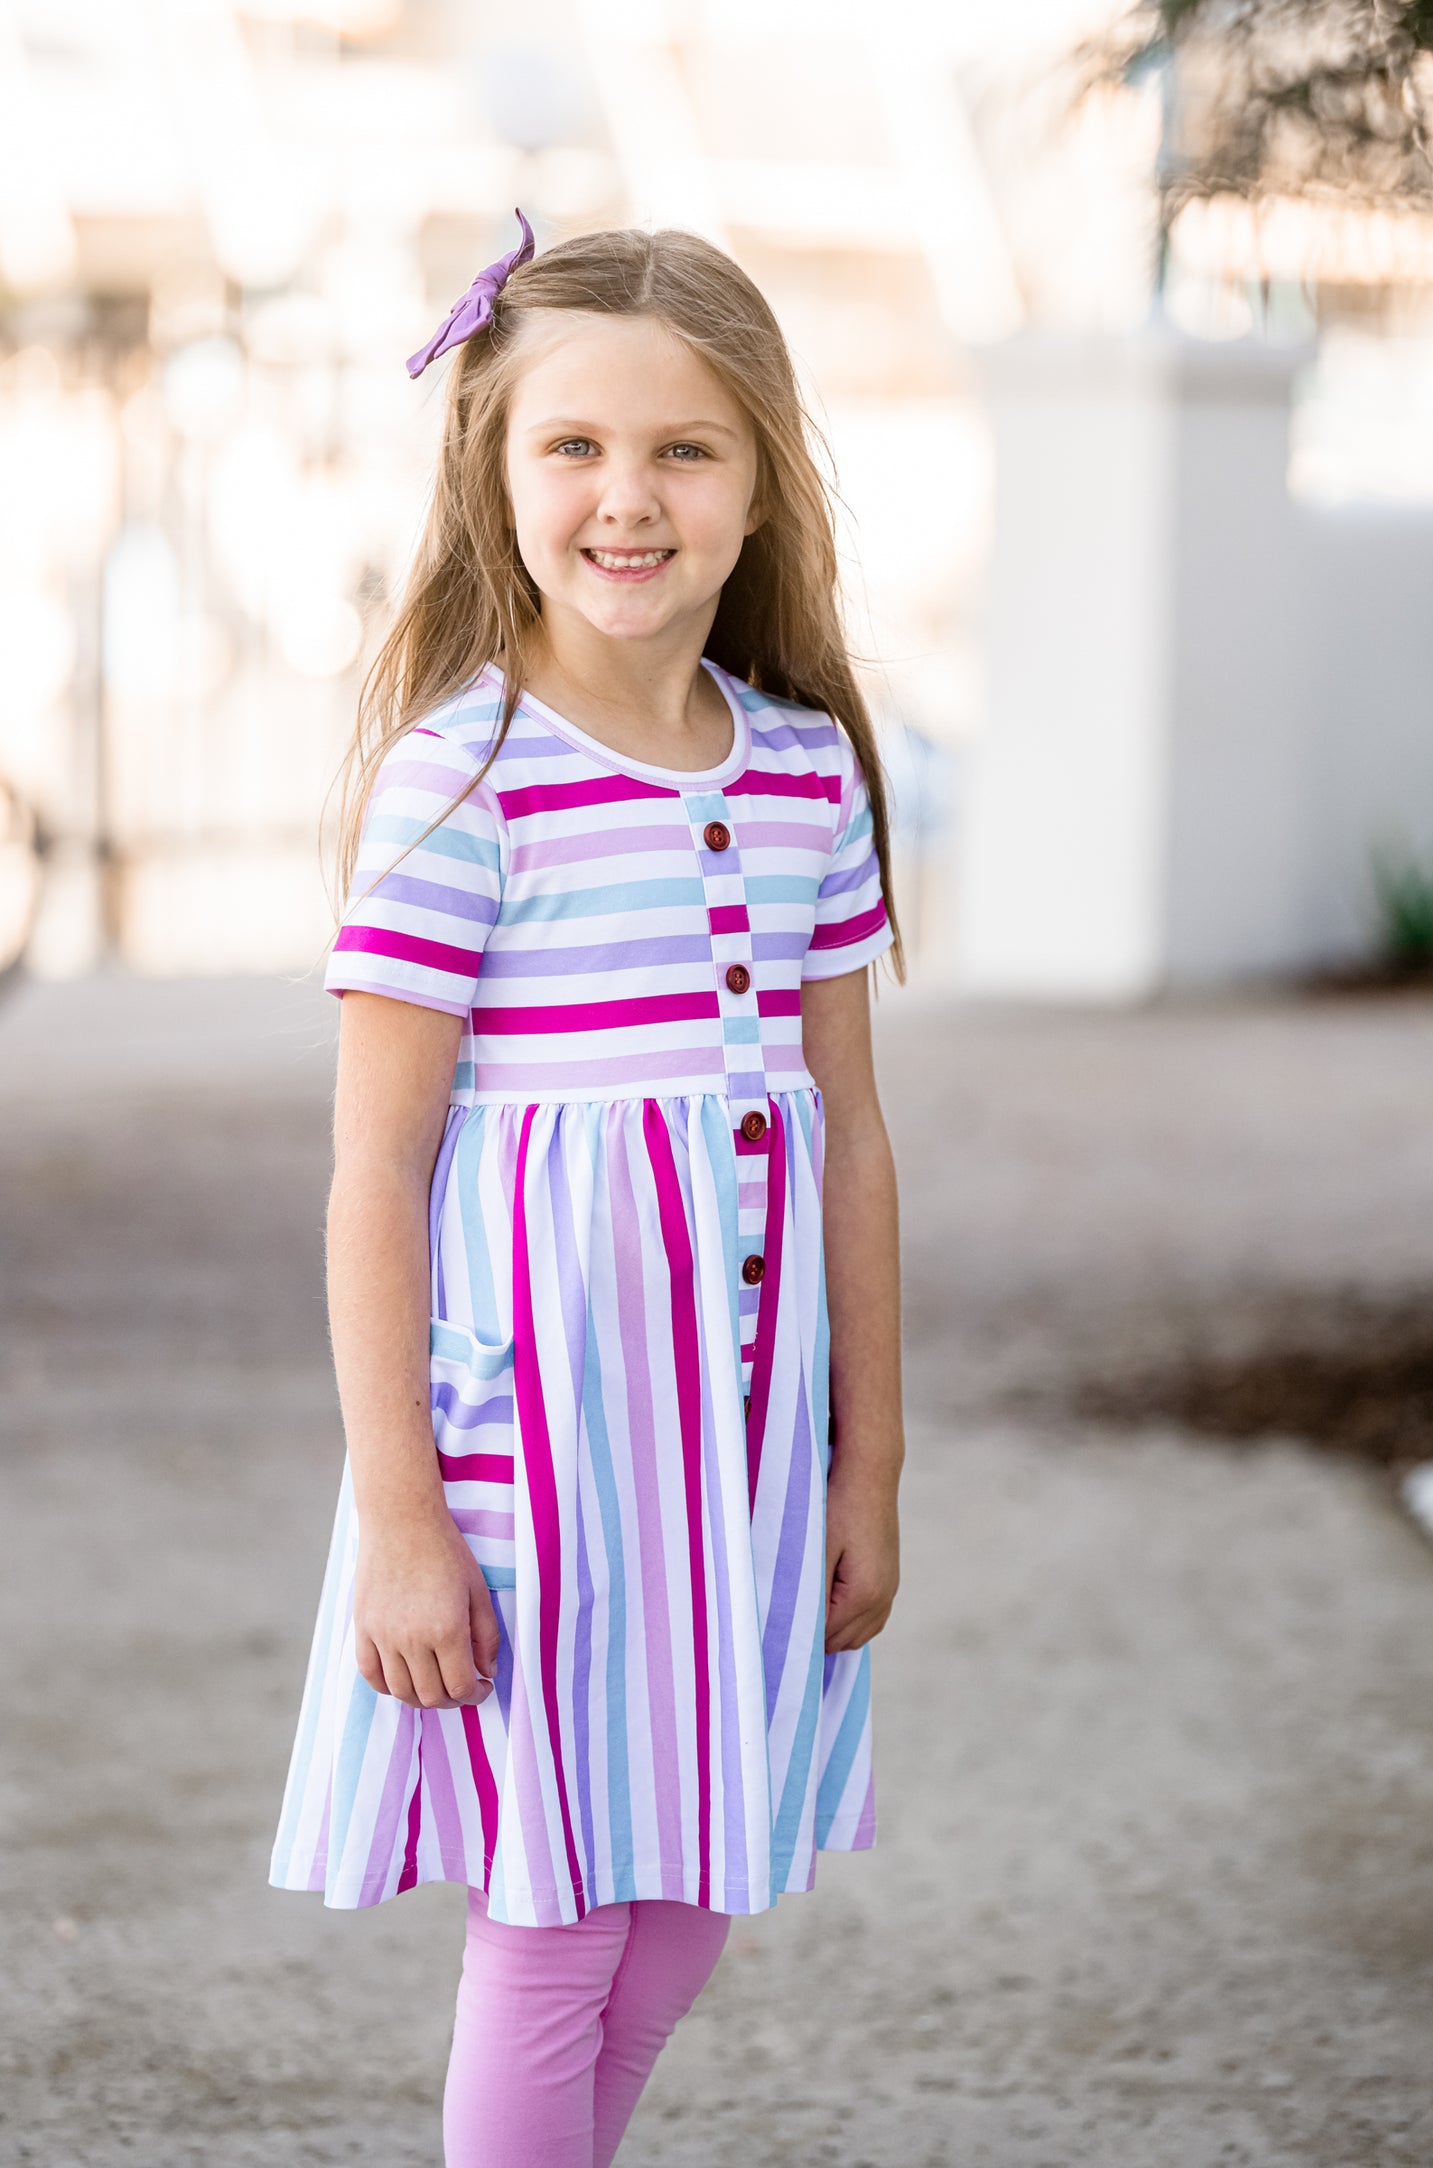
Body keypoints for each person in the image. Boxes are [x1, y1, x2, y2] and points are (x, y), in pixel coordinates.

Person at [268, 207, 907, 2167]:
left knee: (696, 1890)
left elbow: (849, 1136)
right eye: (577, 448)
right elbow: (375, 1164)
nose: (628, 499)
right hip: (535, 1457)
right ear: (497, 470)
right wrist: (399, 1514)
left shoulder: (802, 775)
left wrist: (865, 1461)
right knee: (552, 1920)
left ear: (759, 483)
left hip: (740, 1466)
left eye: (683, 450)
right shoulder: (464, 785)